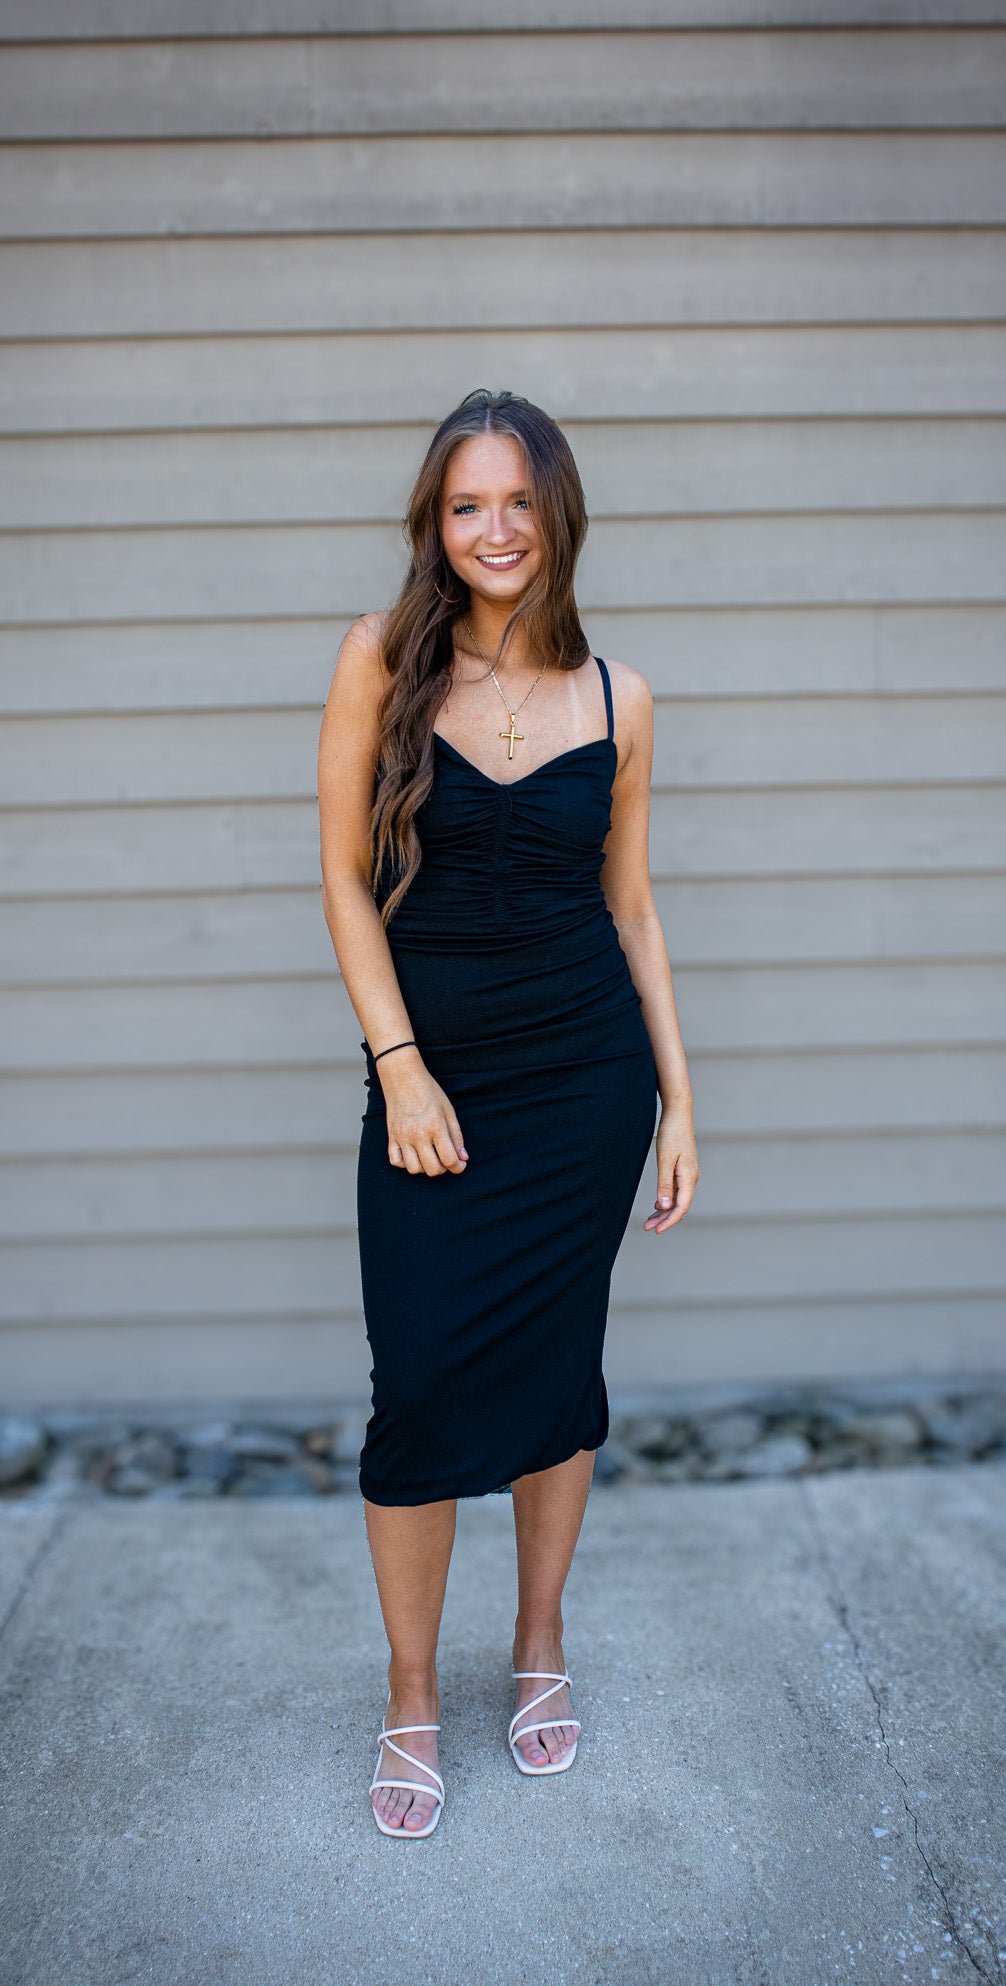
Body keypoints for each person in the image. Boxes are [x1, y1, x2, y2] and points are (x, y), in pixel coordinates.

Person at [317, 388, 699, 1837]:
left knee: (552, 1375)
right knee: (416, 1382)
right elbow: (347, 880)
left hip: (582, 1081)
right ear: (436, 519)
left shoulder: (621, 699)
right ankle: (412, 1692)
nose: (495, 530)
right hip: (433, 1080)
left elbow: (634, 909)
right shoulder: (377, 663)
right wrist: (399, 1062)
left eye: (519, 504)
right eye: (467, 504)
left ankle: (535, 1644)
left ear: (559, 520)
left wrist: (676, 1100)